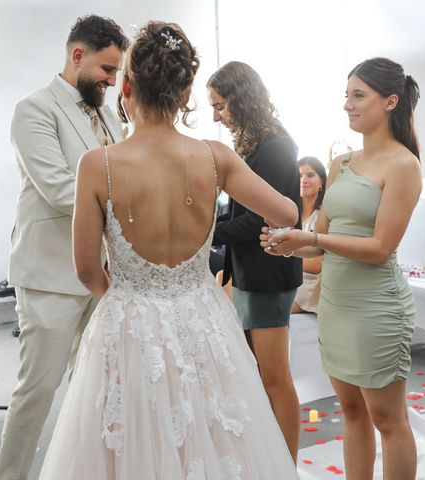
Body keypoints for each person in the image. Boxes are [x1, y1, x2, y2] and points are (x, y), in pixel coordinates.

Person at [38, 21, 299, 479]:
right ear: (184, 95)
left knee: (128, 443)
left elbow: (85, 269)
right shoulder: (216, 156)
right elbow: (287, 214)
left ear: (128, 88)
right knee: (214, 434)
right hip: (202, 316)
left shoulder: (97, 165)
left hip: (128, 323)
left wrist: (127, 301)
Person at [263, 57, 420, 480]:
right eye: (346, 96)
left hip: (376, 308)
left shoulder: (404, 165)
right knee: (351, 412)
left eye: (357, 96)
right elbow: (323, 250)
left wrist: (310, 238)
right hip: (335, 303)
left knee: (388, 420)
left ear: (390, 101)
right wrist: (287, 247)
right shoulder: (341, 164)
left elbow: (380, 249)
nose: (347, 106)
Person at [0, 16, 129, 480]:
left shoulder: (109, 115)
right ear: (77, 57)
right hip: (50, 274)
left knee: (95, 389)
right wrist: (138, 206)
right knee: (38, 390)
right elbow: (59, 189)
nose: (112, 82)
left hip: (105, 276)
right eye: (107, 70)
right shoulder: (33, 110)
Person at [207, 61, 302, 461]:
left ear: (241, 100)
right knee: (259, 374)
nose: (215, 115)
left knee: (275, 378)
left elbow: (257, 219)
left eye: (220, 105)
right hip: (250, 269)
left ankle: (286, 464)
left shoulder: (276, 145)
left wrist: (201, 233)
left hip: (269, 271)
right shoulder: (255, 140)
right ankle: (269, 458)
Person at [292, 156, 326, 314]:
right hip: (288, 276)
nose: (303, 180)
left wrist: (278, 261)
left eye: (310, 175)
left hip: (307, 286)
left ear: (322, 183)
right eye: (299, 176)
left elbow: (317, 264)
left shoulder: (322, 217)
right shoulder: (290, 215)